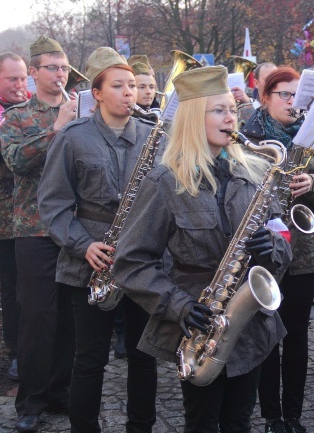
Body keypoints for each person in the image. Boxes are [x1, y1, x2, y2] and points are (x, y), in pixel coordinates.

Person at [113, 65, 291, 433]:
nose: (232, 118)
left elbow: (284, 244)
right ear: (195, 119)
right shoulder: (165, 181)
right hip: (198, 324)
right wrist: (178, 306)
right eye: (220, 110)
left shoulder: (256, 172)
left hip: (251, 324)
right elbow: (130, 262)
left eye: (233, 109)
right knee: (202, 423)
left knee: (239, 422)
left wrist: (271, 249)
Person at [37, 47, 159, 433]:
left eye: (133, 86)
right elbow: (53, 203)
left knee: (144, 355)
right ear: (98, 93)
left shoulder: (154, 136)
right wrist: (82, 244)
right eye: (119, 85)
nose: (129, 92)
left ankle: (141, 427)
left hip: (143, 260)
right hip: (91, 261)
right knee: (89, 358)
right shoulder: (73, 137)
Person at [241, 66, 314, 433]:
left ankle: (293, 415)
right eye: (284, 94)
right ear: (265, 97)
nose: (292, 103)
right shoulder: (246, 135)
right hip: (263, 249)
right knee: (267, 332)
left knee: (297, 335)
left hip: (305, 251)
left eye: (298, 97)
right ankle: (270, 416)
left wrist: (312, 183)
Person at [0, 35, 77, 433]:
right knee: (36, 317)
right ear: (34, 73)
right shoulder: (18, 117)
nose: (61, 74)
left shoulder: (81, 110)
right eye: (53, 68)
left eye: (64, 68)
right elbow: (16, 162)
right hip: (33, 230)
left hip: (74, 229)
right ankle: (30, 401)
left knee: (69, 317)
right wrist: (57, 128)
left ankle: (60, 391)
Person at [0, 51, 28, 381]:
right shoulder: (3, 114)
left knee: (32, 289)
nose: (19, 85)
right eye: (12, 79)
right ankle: (15, 352)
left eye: (22, 78)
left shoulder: (33, 108)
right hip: (0, 221)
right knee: (10, 288)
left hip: (32, 217)